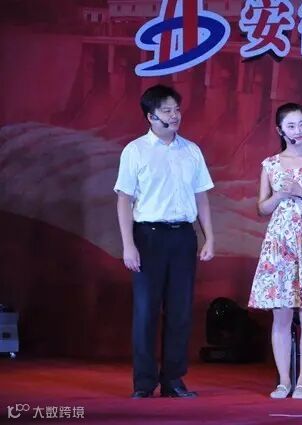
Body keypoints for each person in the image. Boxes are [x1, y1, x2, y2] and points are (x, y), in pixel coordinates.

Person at [114, 85, 215, 399]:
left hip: (183, 236)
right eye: (167, 111)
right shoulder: (135, 151)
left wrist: (210, 238)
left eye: (177, 109)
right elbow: (124, 200)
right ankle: (144, 383)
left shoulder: (192, 151)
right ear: (151, 116)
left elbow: (202, 197)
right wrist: (128, 245)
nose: (175, 116)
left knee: (180, 311)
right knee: (146, 311)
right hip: (148, 237)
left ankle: (173, 380)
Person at [248, 103, 302, 400]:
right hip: (280, 242)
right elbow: (262, 208)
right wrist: (280, 195)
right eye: (291, 126)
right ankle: (283, 381)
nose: (298, 131)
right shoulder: (270, 164)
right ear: (280, 130)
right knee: (281, 314)